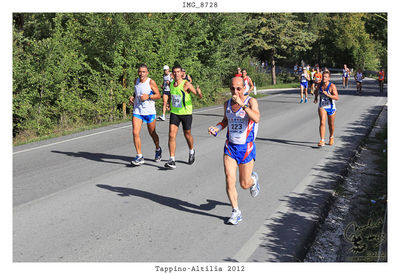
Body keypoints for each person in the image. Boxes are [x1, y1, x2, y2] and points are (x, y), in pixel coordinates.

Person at [208, 77, 260, 225]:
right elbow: (226, 120)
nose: (235, 91)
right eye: (232, 88)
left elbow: (256, 118)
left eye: (238, 88)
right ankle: (236, 211)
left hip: (246, 147)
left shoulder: (251, 102)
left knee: (244, 184)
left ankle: (253, 180)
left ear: (244, 88)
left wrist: (243, 105)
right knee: (230, 180)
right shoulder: (227, 104)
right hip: (230, 147)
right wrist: (216, 128)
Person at [164, 65, 203, 169]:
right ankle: (172, 159)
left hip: (186, 113)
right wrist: (168, 103)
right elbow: (172, 96)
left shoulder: (186, 84)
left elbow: (198, 96)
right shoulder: (172, 84)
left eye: (178, 72)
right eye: (175, 72)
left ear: (182, 73)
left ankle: (191, 150)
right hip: (175, 113)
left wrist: (199, 93)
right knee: (171, 135)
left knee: (187, 134)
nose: (176, 74)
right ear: (172, 74)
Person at [129, 64, 162, 166]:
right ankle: (139, 156)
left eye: (143, 72)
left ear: (147, 73)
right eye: (140, 71)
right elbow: (136, 93)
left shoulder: (151, 82)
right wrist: (132, 99)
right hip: (138, 111)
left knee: (152, 133)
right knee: (135, 132)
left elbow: (158, 95)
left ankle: (158, 149)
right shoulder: (136, 81)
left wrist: (148, 96)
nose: (141, 74)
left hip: (149, 112)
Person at [314, 71, 339, 147]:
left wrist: (328, 95)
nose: (324, 78)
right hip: (322, 106)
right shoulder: (319, 84)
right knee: (322, 122)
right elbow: (316, 91)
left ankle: (331, 136)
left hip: (331, 107)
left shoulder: (332, 86)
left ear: (329, 78)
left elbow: (336, 97)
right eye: (323, 76)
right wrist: (316, 98)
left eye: (326, 77)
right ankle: (322, 140)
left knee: (331, 124)